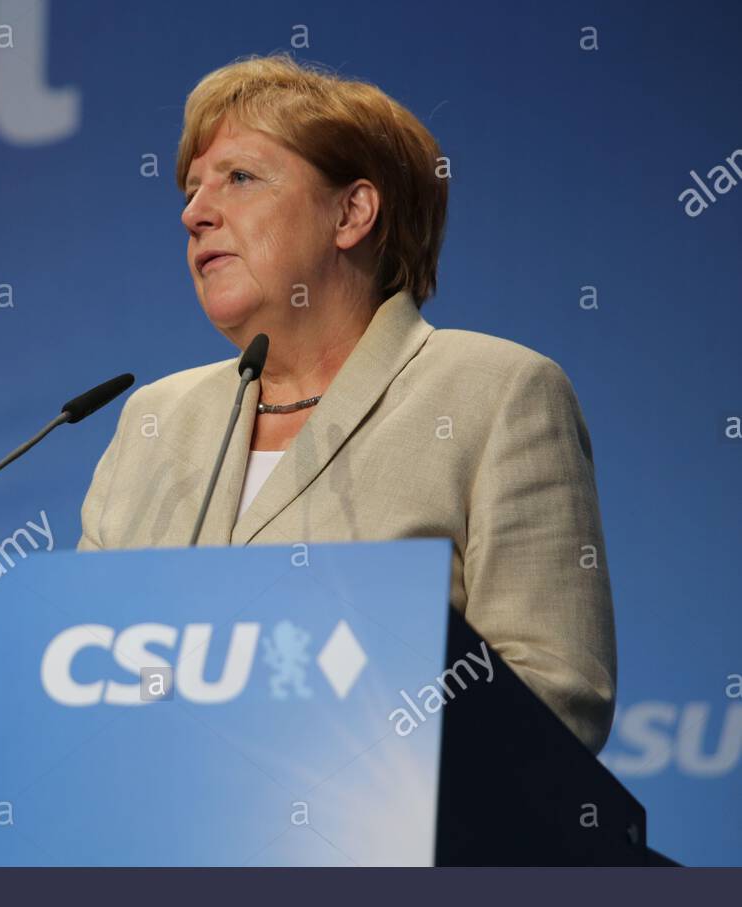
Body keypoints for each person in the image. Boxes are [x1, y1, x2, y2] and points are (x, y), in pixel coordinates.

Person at [76, 54, 616, 753]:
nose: (194, 213)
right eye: (190, 190)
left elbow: (557, 696)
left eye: (238, 178)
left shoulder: (497, 391)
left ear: (351, 211)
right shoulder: (152, 420)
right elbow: (77, 674)